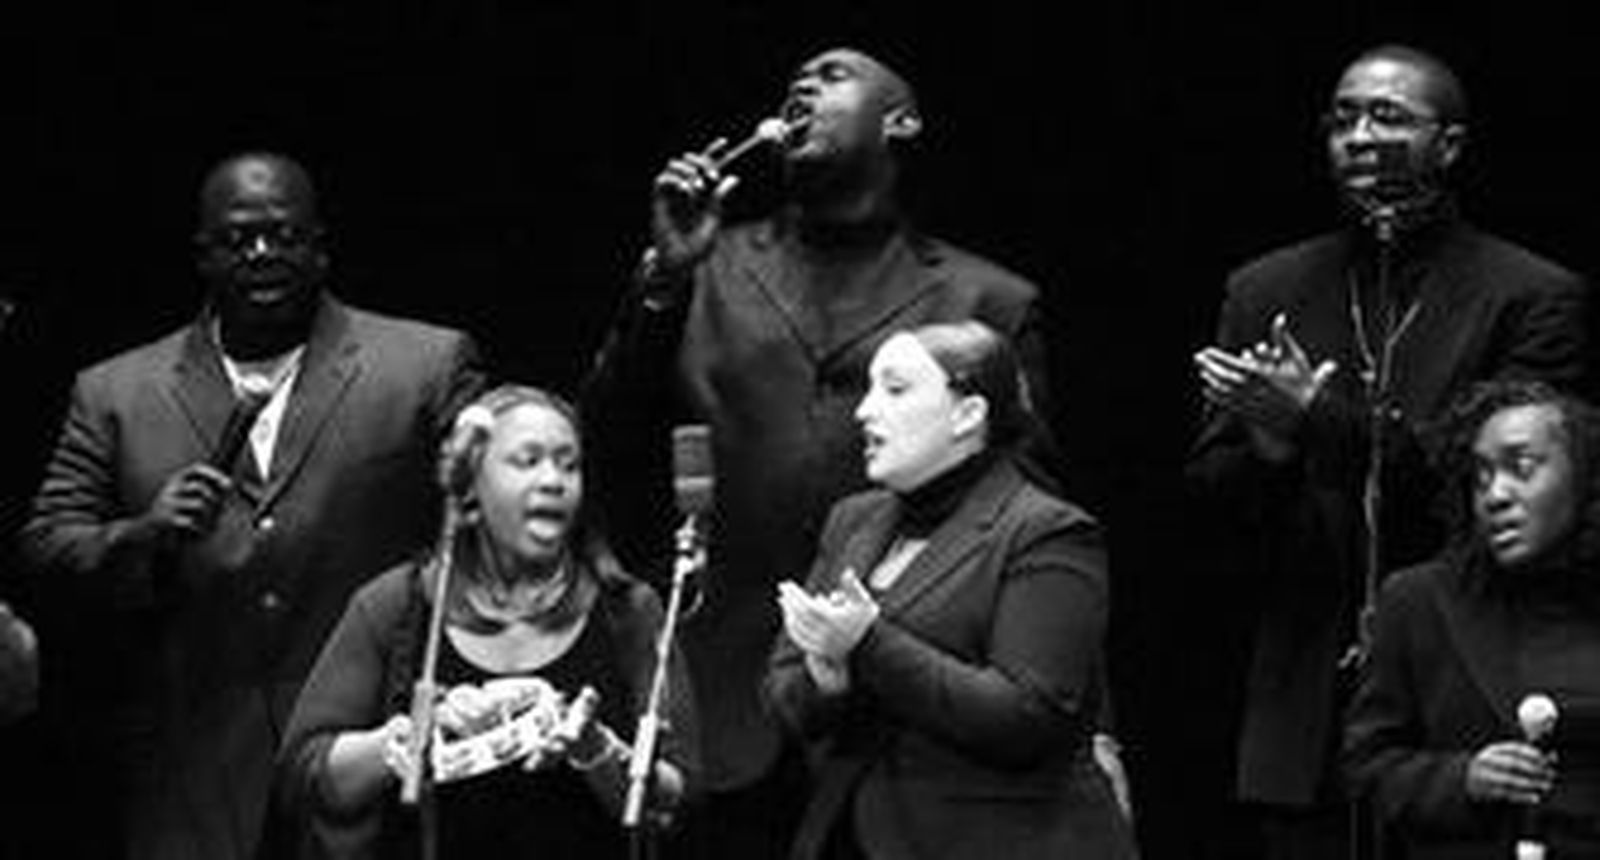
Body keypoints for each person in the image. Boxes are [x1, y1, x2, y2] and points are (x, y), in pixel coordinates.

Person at [582, 45, 1123, 855]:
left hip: (912, 727)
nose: (803, 85)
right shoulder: (708, 265)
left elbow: (1036, 527)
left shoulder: (985, 300)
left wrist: (1097, 729)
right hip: (726, 694)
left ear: (901, 121)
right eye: (794, 81)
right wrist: (663, 281)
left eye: (834, 75)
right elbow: (607, 437)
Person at [20, 152, 484, 860]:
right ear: (204, 256)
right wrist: (143, 535)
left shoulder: (423, 367)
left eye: (283, 235)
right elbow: (47, 550)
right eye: (239, 239)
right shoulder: (115, 392)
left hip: (369, 761)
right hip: (194, 771)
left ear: (320, 248)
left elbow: (502, 500)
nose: (263, 253)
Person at [1187, 45, 1587, 858]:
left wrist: (1316, 422)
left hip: (1465, 683)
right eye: (1343, 119)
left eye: (1389, 116)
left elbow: (1506, 487)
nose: (1361, 135)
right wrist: (1267, 450)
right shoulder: (1266, 290)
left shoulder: (1531, 294)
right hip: (1303, 701)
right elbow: (1208, 511)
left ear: (1451, 143)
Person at [276, 385, 699, 859]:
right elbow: (306, 777)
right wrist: (402, 741)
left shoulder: (628, 611)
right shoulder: (397, 605)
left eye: (568, 463)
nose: (553, 480)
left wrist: (596, 751)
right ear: (472, 483)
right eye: (527, 460)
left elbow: (676, 800)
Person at [764, 321, 1135, 859]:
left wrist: (867, 644)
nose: (865, 410)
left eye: (895, 389)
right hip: (854, 836)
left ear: (968, 414)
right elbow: (783, 691)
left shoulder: (1046, 532)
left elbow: (1025, 718)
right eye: (868, 389)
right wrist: (828, 683)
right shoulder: (852, 521)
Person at [1345, 380, 1600, 857]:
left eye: (1521, 467)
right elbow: (1366, 769)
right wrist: (1461, 779)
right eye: (1481, 476)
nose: (1495, 494)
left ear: (1584, 476)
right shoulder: (1419, 601)